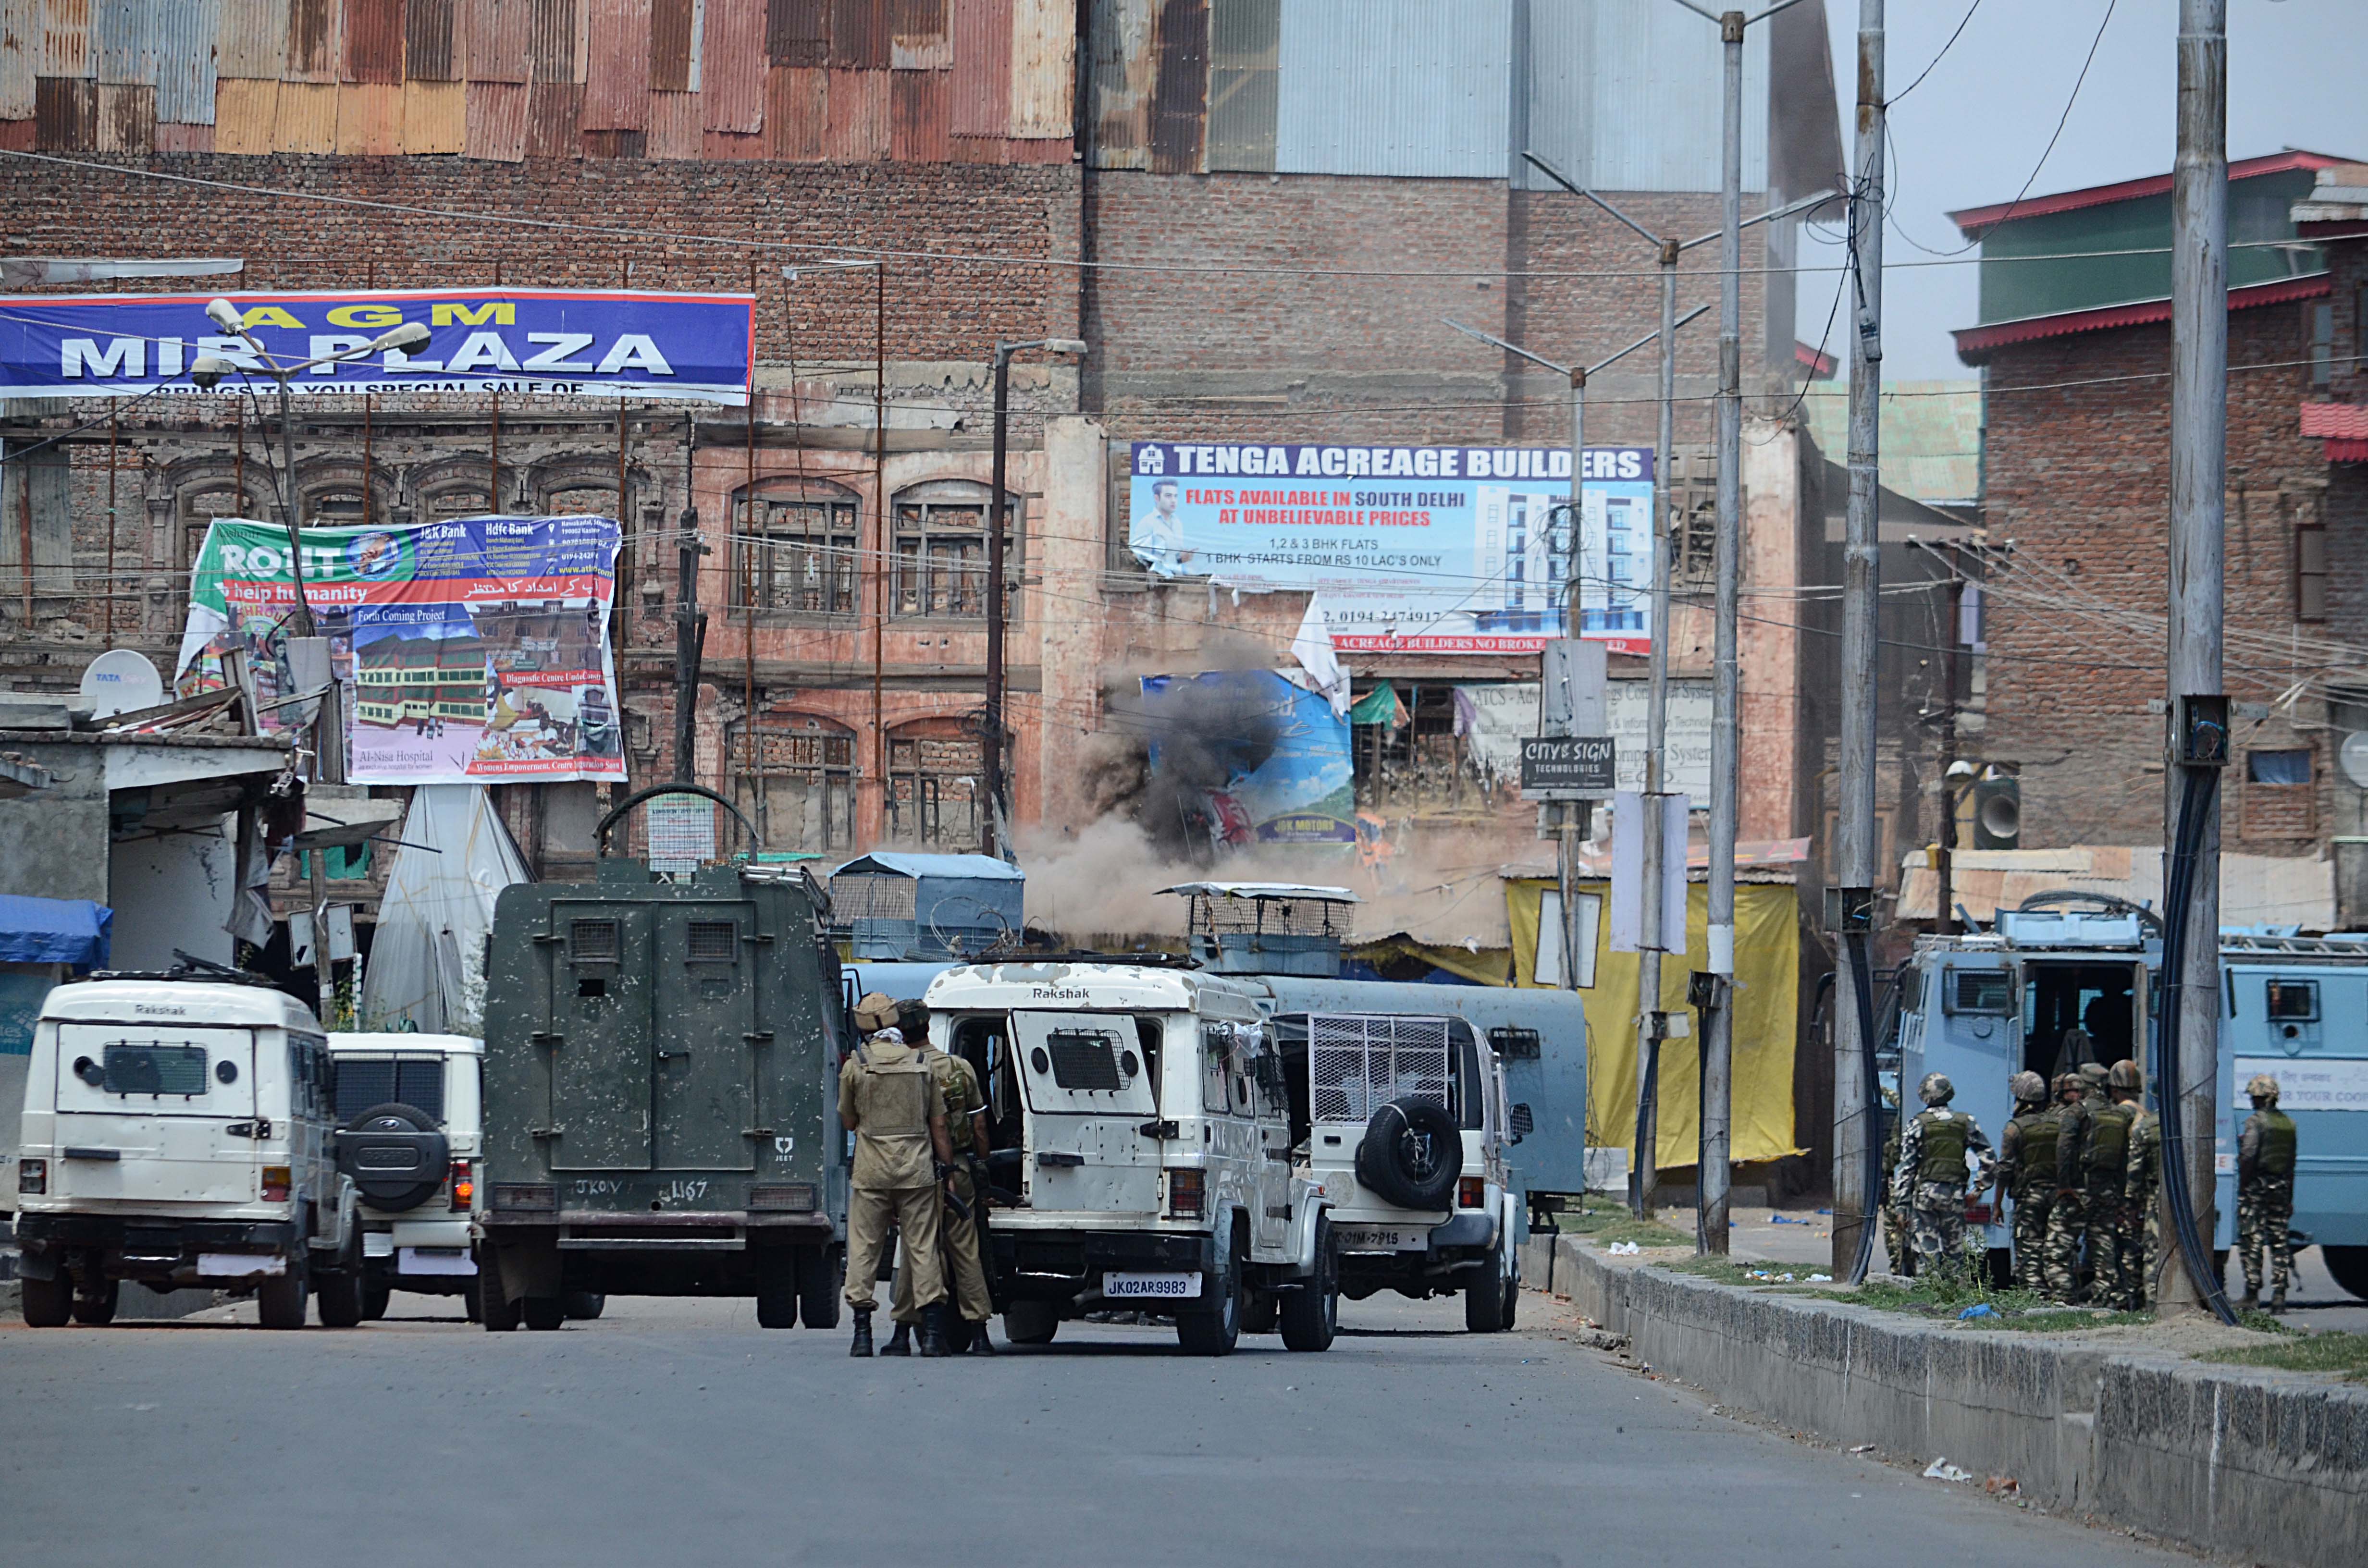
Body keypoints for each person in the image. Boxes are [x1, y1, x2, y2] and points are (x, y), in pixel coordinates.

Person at [839, 1006, 954, 1358]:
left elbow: (848, 1120)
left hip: (872, 1173)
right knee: (921, 1248)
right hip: (915, 1172)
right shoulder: (922, 1064)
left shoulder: (856, 1065)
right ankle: (932, 1335)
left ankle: (862, 1336)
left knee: (864, 1249)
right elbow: (939, 1125)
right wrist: (947, 1170)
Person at [885, 1003, 997, 1357]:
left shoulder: (900, 1071)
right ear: (928, 1026)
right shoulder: (958, 1068)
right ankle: (980, 1334)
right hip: (958, 1170)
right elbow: (979, 1125)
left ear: (901, 1032)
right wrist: (980, 1164)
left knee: (915, 1250)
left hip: (914, 1172)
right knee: (967, 1251)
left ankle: (903, 1332)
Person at [1889, 1073, 1994, 1283]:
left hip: (1926, 1196)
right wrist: (1978, 1189)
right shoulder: (1966, 1122)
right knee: (1954, 1253)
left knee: (1927, 1252)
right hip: (1954, 1196)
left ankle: (1929, 1297)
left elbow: (1907, 1168)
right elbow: (1990, 1158)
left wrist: (1901, 1206)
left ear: (1925, 1096)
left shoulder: (1917, 1124)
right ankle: (1955, 1298)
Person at [2082, 1059, 2141, 1310]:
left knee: (2116, 1246)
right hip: (2141, 1190)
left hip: (2122, 1189)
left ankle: (2118, 1298)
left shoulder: (2119, 1115)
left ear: (2114, 1091)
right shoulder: (2144, 1114)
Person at [2236, 1073, 2298, 1312]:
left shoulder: (2255, 1123)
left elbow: (2249, 1155)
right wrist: (2290, 1197)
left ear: (2260, 1099)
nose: (2252, 1101)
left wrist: (2244, 1183)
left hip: (2256, 1189)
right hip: (2281, 1189)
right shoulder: (2289, 1125)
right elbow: (2291, 1163)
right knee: (2279, 1241)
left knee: (2252, 1239)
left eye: (2254, 1097)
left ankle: (2252, 1294)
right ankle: (2279, 1296)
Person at [1993, 1070, 2055, 1294]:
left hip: (2029, 1197)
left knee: (2029, 1247)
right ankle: (2059, 1292)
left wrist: (1997, 1204)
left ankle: (2036, 1295)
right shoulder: (2059, 1123)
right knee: (2055, 1248)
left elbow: (2005, 1170)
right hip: (2058, 1196)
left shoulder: (2015, 1128)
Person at [2041, 1072, 2094, 1301]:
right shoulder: (2092, 1112)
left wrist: (2063, 1185)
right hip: (2089, 1189)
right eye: (2071, 1090)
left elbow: (2063, 1149)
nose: (2075, 1094)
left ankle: (2064, 1297)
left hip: (2073, 1189)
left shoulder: (2070, 1115)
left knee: (2058, 1248)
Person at [2124, 1074, 2161, 1309]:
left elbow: (2135, 1171)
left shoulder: (2145, 1128)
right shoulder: (2191, 1124)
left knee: (2153, 1251)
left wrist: (2131, 1201)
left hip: (2156, 1196)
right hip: (2187, 1199)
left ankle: (2153, 1305)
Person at [1877, 1085, 1911, 1276]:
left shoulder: (1897, 1141)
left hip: (1897, 1184)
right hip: (1915, 1185)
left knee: (1892, 1226)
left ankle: (1897, 1270)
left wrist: (1882, 1089)